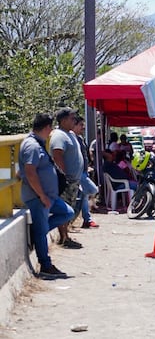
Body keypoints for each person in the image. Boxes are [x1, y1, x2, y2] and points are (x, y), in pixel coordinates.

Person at [20, 113, 73, 279]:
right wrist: (42, 195)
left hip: (48, 197)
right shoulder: (31, 145)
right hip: (38, 198)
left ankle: (37, 232)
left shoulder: (38, 143)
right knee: (42, 230)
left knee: (67, 212)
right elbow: (30, 171)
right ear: (47, 127)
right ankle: (45, 265)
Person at [49, 107, 83, 249]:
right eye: (72, 118)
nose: (74, 120)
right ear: (63, 120)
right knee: (65, 208)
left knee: (72, 207)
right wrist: (63, 177)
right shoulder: (59, 136)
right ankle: (63, 237)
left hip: (74, 179)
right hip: (67, 180)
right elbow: (57, 155)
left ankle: (66, 235)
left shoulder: (70, 134)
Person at [72, 115, 99, 229]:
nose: (83, 127)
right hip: (79, 172)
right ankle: (75, 216)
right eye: (80, 125)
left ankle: (86, 219)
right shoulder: (72, 138)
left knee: (84, 195)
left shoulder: (80, 138)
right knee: (93, 189)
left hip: (84, 170)